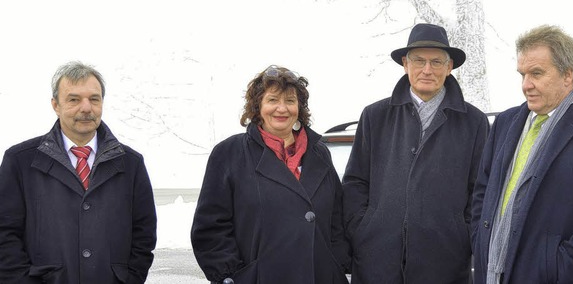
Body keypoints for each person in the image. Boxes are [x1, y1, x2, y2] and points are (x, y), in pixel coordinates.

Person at [471, 25, 573, 283]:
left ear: (567, 75)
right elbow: (483, 192)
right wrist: (481, 242)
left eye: (536, 73)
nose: (526, 85)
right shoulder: (505, 123)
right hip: (493, 274)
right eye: (523, 74)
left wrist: (554, 268)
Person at [342, 23, 490, 283]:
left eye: (436, 62)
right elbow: (355, 182)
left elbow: (481, 191)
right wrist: (363, 229)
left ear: (449, 67)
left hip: (445, 262)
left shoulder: (474, 122)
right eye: (418, 60)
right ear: (405, 63)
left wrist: (462, 236)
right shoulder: (375, 116)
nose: (427, 70)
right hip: (377, 261)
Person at [191, 65, 351, 284]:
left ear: (299, 107)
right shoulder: (230, 153)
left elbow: (336, 219)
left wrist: (337, 264)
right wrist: (232, 275)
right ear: (258, 106)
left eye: (290, 101)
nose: (282, 108)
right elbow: (211, 227)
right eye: (273, 100)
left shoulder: (319, 152)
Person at [0, 61, 157, 283]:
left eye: (94, 99)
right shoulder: (20, 162)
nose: (86, 108)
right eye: (74, 99)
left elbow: (144, 234)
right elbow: (5, 234)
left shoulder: (130, 163)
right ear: (55, 105)